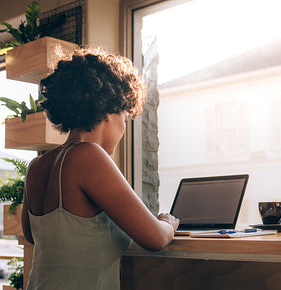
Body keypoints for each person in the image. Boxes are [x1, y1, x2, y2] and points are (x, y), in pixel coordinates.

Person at [21, 47, 180, 290]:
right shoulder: (88, 155)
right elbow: (155, 238)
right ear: (108, 112)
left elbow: (36, 236)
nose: (123, 129)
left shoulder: (37, 165)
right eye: (125, 118)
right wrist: (167, 222)